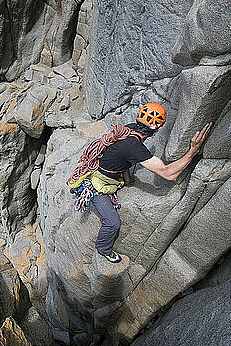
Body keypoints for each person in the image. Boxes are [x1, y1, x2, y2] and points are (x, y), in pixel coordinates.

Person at [67, 102, 213, 263]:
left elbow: (123, 158)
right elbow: (169, 174)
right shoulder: (133, 147)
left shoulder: (129, 129)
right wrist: (193, 150)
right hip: (95, 183)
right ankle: (103, 249)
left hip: (102, 171)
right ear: (157, 129)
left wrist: (127, 178)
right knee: (112, 223)